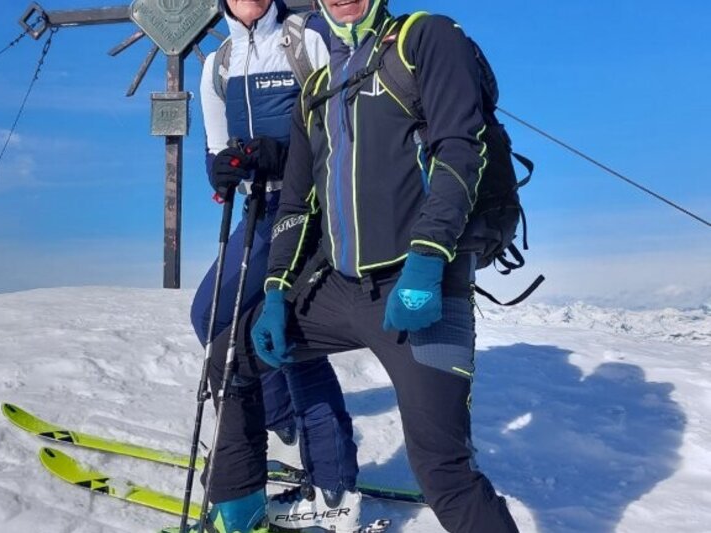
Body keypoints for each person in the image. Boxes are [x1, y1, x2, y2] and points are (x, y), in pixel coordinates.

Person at [202, 0, 523, 531]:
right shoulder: (319, 86)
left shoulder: (425, 39)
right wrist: (280, 290)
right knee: (231, 356)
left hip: (425, 292)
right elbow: (298, 203)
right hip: (340, 289)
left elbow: (459, 152)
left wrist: (427, 259)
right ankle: (239, 504)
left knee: (443, 471)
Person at [189, 0, 362, 531]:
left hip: (315, 208)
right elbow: (218, 148)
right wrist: (224, 171)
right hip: (260, 208)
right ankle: (284, 429)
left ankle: (333, 485)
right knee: (212, 316)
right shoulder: (217, 60)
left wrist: (282, 154)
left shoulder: (304, 38)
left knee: (285, 335)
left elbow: (346, 127)